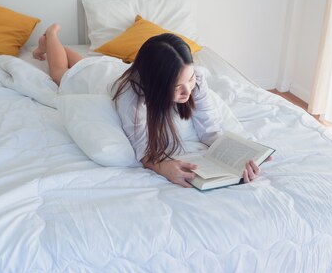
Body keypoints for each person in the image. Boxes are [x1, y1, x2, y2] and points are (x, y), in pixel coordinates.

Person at [112, 33, 263, 188]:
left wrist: (236, 159)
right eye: (177, 87)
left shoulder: (196, 78)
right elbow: (144, 150)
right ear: (156, 86)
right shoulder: (130, 98)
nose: (187, 91)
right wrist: (163, 167)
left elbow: (210, 129)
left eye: (189, 80)